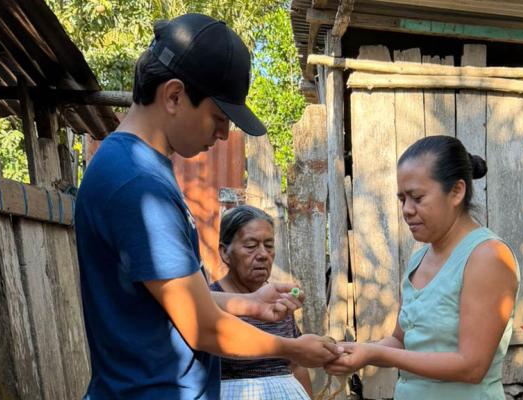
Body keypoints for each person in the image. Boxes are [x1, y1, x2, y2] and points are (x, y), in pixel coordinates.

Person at [74, 14, 338, 399]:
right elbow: (202, 327)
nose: (223, 133)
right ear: (175, 96)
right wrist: (294, 349)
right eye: (218, 116)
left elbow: (171, 303)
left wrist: (248, 303)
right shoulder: (138, 185)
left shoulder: (133, 168)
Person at [325, 136, 519, 400]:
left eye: (417, 197)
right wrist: (353, 351)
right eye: (402, 199)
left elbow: (472, 366)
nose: (406, 210)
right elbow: (400, 341)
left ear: (456, 192)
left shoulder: (488, 257)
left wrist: (375, 353)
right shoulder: (419, 259)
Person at [210, 205, 313, 399]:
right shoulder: (210, 300)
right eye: (250, 246)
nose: (263, 254)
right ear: (225, 253)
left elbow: (296, 366)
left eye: (269, 245)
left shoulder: (280, 300)